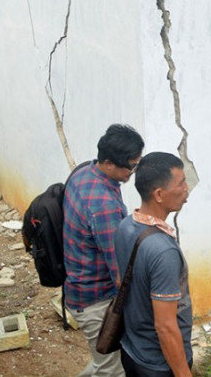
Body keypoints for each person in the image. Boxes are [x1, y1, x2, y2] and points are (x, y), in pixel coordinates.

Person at [63, 124, 145, 377]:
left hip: (78, 285)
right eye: (130, 166)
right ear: (109, 162)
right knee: (112, 370)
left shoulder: (84, 172)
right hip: (96, 300)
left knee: (104, 361)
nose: (133, 172)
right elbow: (120, 273)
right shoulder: (104, 206)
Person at [115, 152, 192, 377]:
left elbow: (121, 281)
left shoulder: (125, 226)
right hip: (158, 364)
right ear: (159, 194)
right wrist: (183, 373)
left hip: (131, 351)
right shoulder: (163, 250)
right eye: (182, 182)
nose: (186, 188)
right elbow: (165, 327)